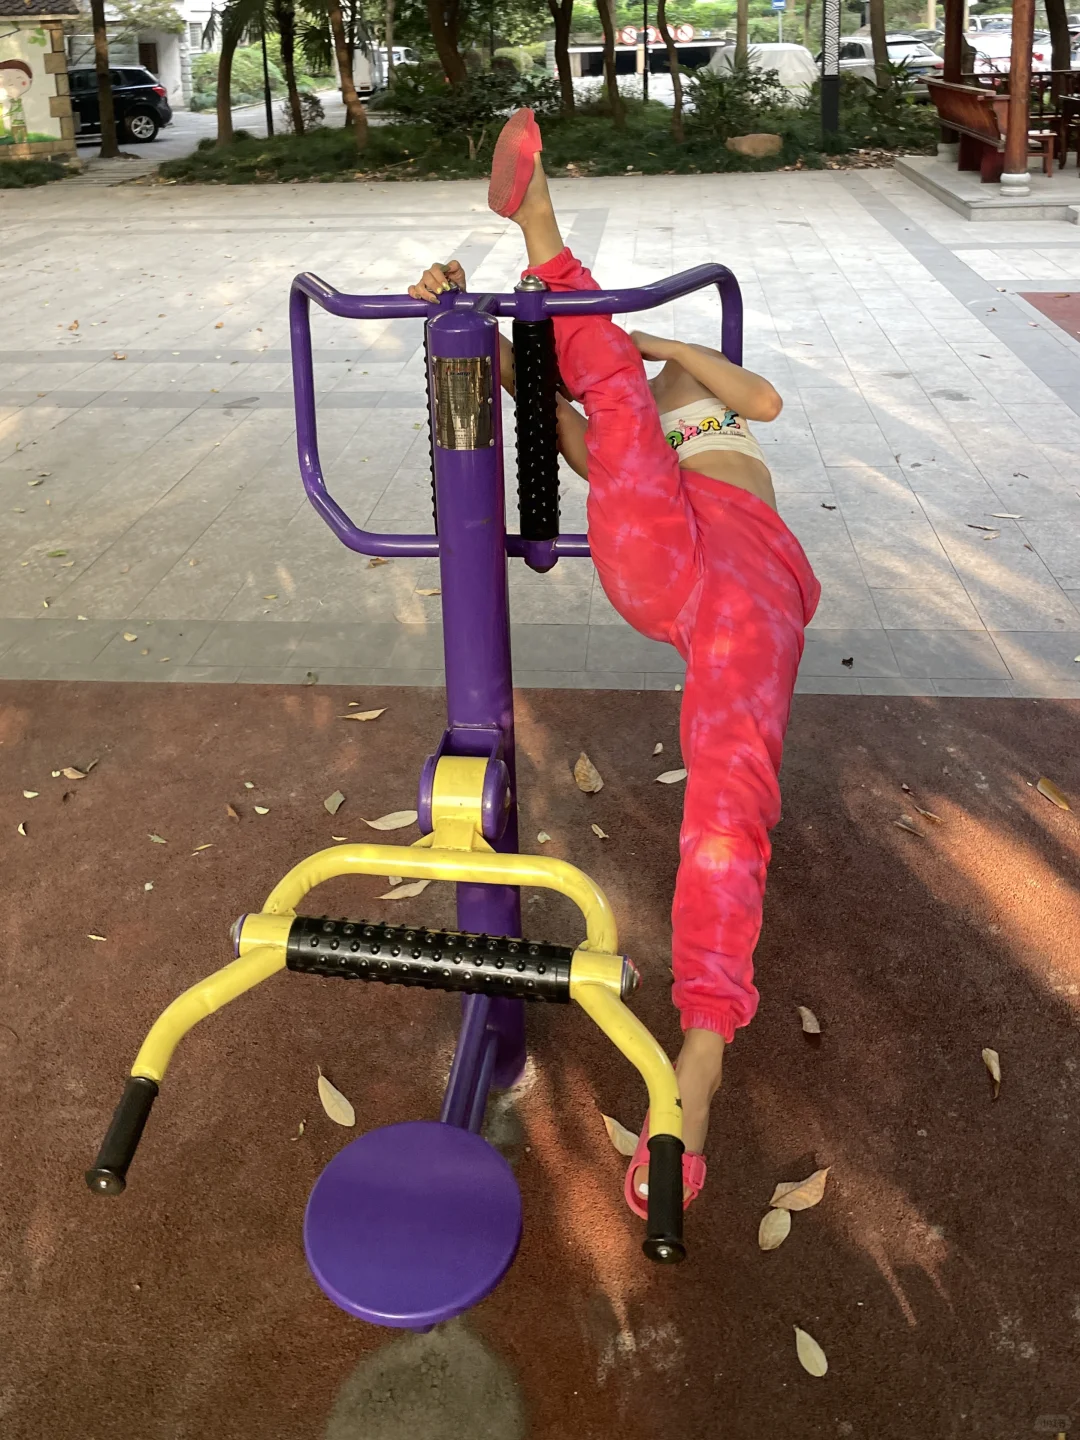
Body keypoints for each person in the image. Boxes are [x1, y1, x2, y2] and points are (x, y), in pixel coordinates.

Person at [408, 110, 820, 1218]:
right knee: (618, 426)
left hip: (749, 586)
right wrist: (461, 327)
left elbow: (763, 399)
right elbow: (560, 424)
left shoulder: (699, 383)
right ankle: (539, 228)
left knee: (731, 805)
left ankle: (699, 1062)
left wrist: (660, 348)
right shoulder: (631, 408)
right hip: (666, 558)